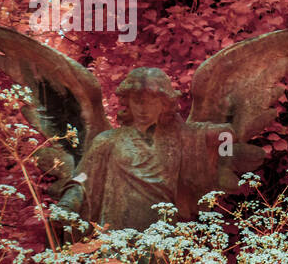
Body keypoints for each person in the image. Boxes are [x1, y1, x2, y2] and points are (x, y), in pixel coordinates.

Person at [56, 68, 227, 231]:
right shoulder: (108, 140)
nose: (143, 109)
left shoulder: (181, 137)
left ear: (165, 104)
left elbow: (225, 133)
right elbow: (83, 176)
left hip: (162, 235)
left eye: (152, 102)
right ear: (128, 102)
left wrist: (227, 146)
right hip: (115, 234)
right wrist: (67, 204)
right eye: (137, 102)